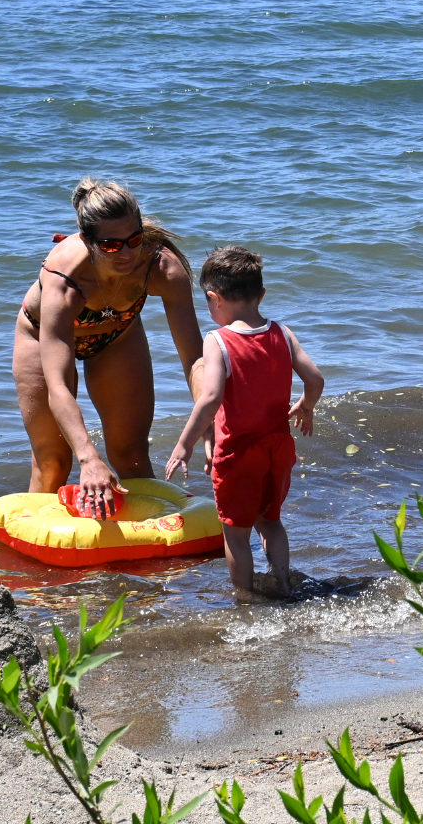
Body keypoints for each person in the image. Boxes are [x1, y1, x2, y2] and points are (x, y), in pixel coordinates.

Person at [13, 178, 204, 514]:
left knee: (131, 455)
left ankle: (158, 557)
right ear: (88, 241)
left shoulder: (162, 268)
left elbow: (194, 357)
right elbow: (58, 387)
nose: (128, 253)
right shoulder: (65, 281)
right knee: (54, 462)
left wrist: (212, 422)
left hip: (118, 335)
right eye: (113, 246)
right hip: (42, 335)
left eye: (134, 239)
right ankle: (32, 560)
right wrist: (89, 459)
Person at [164, 245, 323, 595]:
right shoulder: (281, 332)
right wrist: (305, 406)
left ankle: (245, 598)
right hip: (278, 447)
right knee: (271, 523)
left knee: (236, 534)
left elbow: (210, 398)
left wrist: (184, 443)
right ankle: (284, 584)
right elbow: (315, 380)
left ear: (213, 297)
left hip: (239, 453)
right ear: (261, 294)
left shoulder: (218, 341)